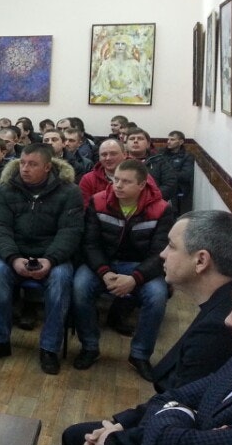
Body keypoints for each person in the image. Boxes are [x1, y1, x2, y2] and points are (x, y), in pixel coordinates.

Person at [20, 255, 232, 445]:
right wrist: (182, 417)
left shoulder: (230, 344)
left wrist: (130, 435)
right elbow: (170, 398)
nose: (229, 320)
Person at [0, 143, 83, 375]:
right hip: (15, 252)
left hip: (52, 255)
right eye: (22, 163)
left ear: (47, 167)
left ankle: (49, 349)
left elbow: (70, 231)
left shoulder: (69, 191)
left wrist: (50, 260)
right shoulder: (6, 189)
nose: (24, 168)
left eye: (32, 164)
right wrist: (13, 258)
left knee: (61, 280)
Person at [72, 159, 174, 378]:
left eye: (126, 182)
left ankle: (140, 354)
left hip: (141, 266)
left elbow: (159, 253)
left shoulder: (162, 209)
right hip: (104, 263)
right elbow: (90, 244)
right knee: (80, 287)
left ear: (142, 185)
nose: (118, 185)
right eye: (116, 179)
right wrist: (104, 272)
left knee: (157, 295)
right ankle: (89, 346)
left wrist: (135, 278)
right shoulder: (98, 201)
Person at [124, 128, 177, 202]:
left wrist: (149, 197)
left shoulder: (160, 161)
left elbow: (170, 184)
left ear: (148, 144)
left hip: (153, 202)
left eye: (140, 138)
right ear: (126, 144)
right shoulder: (119, 161)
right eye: (132, 139)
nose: (135, 141)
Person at [161, 129, 195, 215]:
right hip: (163, 187)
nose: (168, 142)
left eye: (172, 139)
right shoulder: (162, 153)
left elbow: (186, 175)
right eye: (168, 139)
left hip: (179, 189)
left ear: (181, 142)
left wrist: (167, 174)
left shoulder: (187, 156)